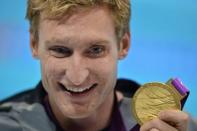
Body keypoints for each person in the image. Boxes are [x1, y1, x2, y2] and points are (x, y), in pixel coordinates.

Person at [0, 0, 197, 131]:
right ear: (34, 45)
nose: (77, 77)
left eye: (95, 50)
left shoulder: (176, 126)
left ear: (123, 44)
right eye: (60, 50)